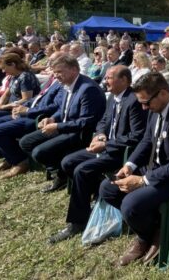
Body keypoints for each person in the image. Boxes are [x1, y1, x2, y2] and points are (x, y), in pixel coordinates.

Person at [98, 72, 169, 266]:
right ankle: (154, 230)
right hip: (160, 168)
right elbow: (147, 141)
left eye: (146, 102)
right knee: (107, 188)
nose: (143, 107)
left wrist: (142, 180)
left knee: (131, 205)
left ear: (163, 93)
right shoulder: (155, 107)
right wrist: (129, 165)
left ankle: (147, 237)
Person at [48, 66, 148, 243]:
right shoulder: (113, 98)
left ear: (124, 80)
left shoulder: (133, 100)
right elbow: (103, 120)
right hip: (106, 146)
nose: (105, 81)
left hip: (121, 153)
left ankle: (77, 222)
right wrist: (100, 134)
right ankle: (94, 193)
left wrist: (106, 144)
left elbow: (137, 136)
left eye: (110, 78)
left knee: (82, 170)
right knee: (68, 162)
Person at [19, 55, 106, 192]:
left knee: (39, 152)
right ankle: (59, 171)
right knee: (26, 142)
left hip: (79, 133)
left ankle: (61, 175)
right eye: (54, 72)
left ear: (74, 70)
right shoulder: (68, 85)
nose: (56, 75)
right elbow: (63, 109)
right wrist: (53, 119)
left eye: (59, 71)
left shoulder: (88, 88)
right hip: (65, 127)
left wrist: (57, 126)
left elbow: (86, 121)